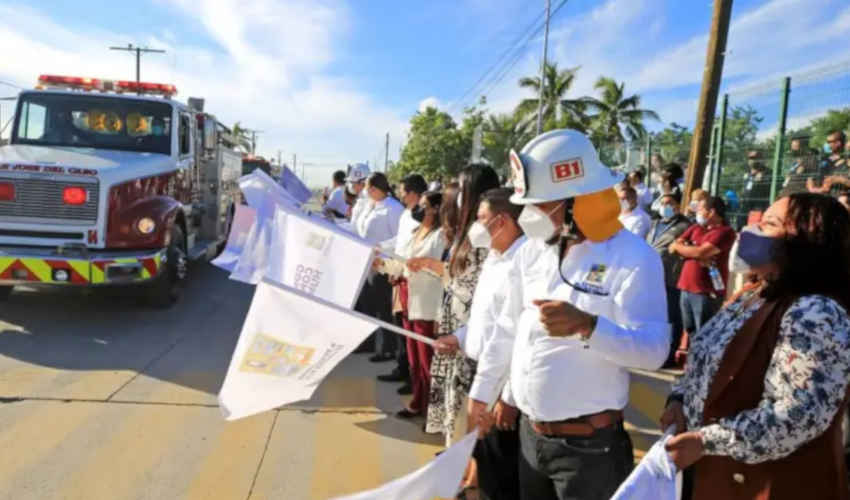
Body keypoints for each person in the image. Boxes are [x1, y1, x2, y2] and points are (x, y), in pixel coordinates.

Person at [468, 129, 670, 500]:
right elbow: (510, 327)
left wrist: (588, 326)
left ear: (582, 201)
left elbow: (654, 350)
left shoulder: (634, 259)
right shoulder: (535, 251)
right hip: (532, 439)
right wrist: (487, 392)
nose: (529, 216)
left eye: (541, 204)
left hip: (589, 451)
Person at [660, 193, 850, 499]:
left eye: (770, 224)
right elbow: (705, 360)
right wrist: (678, 399)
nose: (754, 231)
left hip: (772, 486)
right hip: (719, 477)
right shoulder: (754, 294)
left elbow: (798, 416)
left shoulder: (815, 312)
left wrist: (705, 441)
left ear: (805, 242)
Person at [433, 187, 526, 500]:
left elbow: (517, 335)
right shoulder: (495, 258)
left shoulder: (521, 263)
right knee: (485, 459)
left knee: (501, 468)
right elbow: (484, 318)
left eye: (481, 218)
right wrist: (458, 338)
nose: (476, 224)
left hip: (501, 381)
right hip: (481, 372)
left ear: (501, 221)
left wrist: (506, 396)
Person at [408, 165, 500, 448]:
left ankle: (466, 466)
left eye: (462, 189)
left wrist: (438, 269)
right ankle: (457, 458)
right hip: (456, 328)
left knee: (469, 409)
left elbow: (475, 284)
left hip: (470, 332)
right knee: (455, 406)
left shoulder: (485, 234)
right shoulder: (469, 231)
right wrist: (436, 268)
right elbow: (459, 276)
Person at [374, 191, 445, 419]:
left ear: (435, 209)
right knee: (414, 358)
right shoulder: (415, 232)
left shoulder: (441, 235)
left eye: (424, 205)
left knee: (427, 360)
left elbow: (436, 268)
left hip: (426, 303)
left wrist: (421, 265)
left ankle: (433, 411)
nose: (418, 209)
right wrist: (383, 265)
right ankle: (418, 401)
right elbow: (402, 263)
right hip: (407, 299)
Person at [669, 196, 736, 366]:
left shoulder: (725, 232)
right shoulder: (696, 228)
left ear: (711, 211)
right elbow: (673, 246)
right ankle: (691, 367)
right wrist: (689, 249)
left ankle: (704, 367)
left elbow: (701, 253)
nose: (696, 212)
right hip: (686, 287)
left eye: (700, 208)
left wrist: (688, 250)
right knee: (690, 331)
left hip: (706, 291)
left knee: (705, 333)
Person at [377, 174, 428, 391]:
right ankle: (403, 367)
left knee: (414, 332)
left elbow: (414, 248)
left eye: (403, 191)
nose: (400, 194)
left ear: (414, 194)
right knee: (400, 324)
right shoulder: (406, 213)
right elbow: (400, 243)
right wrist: (382, 251)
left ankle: (414, 377)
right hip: (399, 273)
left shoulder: (425, 217)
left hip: (414, 279)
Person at [352, 172, 404, 359]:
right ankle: (369, 343)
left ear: (374, 188)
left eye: (367, 187)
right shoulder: (371, 205)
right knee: (368, 306)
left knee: (383, 309)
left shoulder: (394, 208)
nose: (365, 190)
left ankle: (389, 348)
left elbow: (401, 238)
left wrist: (382, 248)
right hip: (367, 262)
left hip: (383, 263)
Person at [646, 192, 691, 368]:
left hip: (671, 277)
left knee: (672, 317)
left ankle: (671, 354)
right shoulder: (654, 224)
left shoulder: (685, 225)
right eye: (663, 203)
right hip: (651, 277)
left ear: (677, 206)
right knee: (655, 316)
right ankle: (654, 351)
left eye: (669, 203)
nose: (665, 207)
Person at [739, 151, 771, 219]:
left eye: (755, 158)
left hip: (758, 208)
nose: (752, 160)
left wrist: (763, 178)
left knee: (753, 227)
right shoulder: (746, 174)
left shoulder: (768, 172)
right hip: (744, 208)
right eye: (750, 158)